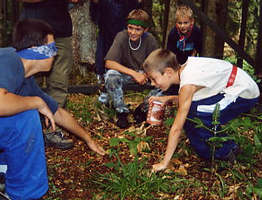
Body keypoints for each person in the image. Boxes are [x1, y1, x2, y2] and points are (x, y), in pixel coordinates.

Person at [0, 19, 105, 200]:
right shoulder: (9, 60)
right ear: (36, 50)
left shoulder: (25, 80)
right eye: (51, 47)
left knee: (21, 110)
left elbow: (57, 113)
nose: (55, 53)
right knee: (26, 117)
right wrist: (36, 103)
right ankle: (24, 194)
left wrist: (88, 138)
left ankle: (4, 172)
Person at [142, 49, 260, 172]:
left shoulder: (187, 83)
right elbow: (190, 98)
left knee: (195, 114)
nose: (152, 84)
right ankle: (212, 150)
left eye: (154, 79)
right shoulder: (186, 70)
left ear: (168, 72)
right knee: (192, 113)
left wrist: (164, 163)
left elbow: (177, 128)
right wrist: (169, 99)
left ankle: (226, 152)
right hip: (234, 87)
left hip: (244, 93)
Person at [19, 0, 81, 150]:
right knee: (30, 81)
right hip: (33, 31)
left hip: (61, 30)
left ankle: (53, 129)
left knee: (59, 83)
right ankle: (29, 128)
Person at [98, 9, 159, 128]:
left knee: (163, 83)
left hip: (144, 75)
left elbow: (157, 64)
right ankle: (122, 112)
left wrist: (146, 75)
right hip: (126, 74)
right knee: (111, 75)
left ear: (145, 30)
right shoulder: (121, 36)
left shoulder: (150, 39)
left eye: (138, 29)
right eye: (130, 28)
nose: (133, 32)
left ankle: (142, 110)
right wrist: (133, 74)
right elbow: (109, 63)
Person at [89, 0, 143, 83]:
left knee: (125, 39)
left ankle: (127, 74)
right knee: (105, 41)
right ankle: (101, 74)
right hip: (108, 13)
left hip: (125, 9)